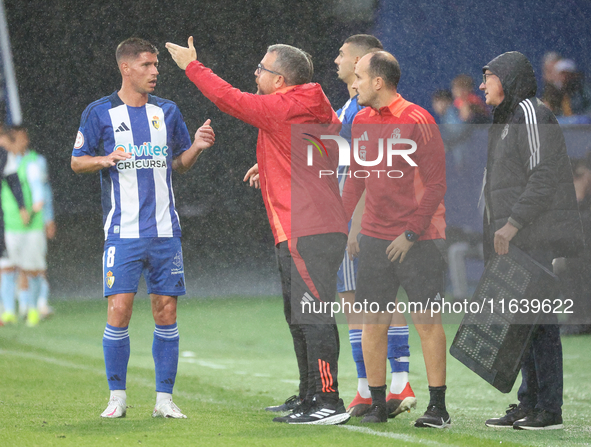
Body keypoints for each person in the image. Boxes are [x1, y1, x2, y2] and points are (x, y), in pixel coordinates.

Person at [166, 38, 350, 425]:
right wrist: (270, 162)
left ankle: (328, 401)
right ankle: (309, 393)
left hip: (308, 227)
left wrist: (192, 66)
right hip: (307, 225)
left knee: (312, 315)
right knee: (297, 314)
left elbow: (231, 99)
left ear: (280, 80)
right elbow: (316, 143)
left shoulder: (286, 106)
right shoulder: (305, 104)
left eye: (262, 69)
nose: (256, 73)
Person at [71, 37, 215, 419]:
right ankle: (117, 398)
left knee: (165, 311)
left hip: (166, 231)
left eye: (156, 65)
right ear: (126, 68)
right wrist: (105, 159)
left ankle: (164, 400)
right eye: (148, 65)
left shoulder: (167, 111)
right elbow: (76, 162)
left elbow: (178, 165)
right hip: (123, 231)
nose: (155, 72)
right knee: (119, 309)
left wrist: (197, 146)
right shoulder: (99, 112)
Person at [342, 51, 450, 427]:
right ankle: (376, 403)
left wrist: (410, 233)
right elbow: (356, 176)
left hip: (419, 238)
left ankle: (438, 408)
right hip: (374, 236)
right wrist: (341, 222)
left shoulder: (419, 119)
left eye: (358, 76)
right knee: (372, 321)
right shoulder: (360, 120)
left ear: (378, 82)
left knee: (426, 321)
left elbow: (437, 184)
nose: (352, 83)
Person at [479, 51, 582, 430]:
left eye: (487, 77)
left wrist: (512, 224)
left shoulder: (531, 112)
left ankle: (549, 410)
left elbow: (543, 176)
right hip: (514, 239)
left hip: (531, 235)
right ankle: (529, 403)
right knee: (523, 323)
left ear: (505, 79)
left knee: (540, 323)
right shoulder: (507, 118)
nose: (481, 85)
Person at [332, 34, 416, 419]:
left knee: (356, 298)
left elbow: (369, 169)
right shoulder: (351, 106)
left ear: (363, 62)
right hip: (358, 213)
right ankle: (388, 383)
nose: (336, 60)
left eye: (342, 55)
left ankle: (377, 386)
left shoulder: (366, 112)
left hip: (361, 217)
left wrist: (354, 224)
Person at [1, 126, 44, 327]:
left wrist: (34, 206)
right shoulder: (6, 158)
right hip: (9, 224)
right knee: (8, 268)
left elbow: (36, 188)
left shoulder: (31, 162)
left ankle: (32, 308)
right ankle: (9, 311)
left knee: (31, 269)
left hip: (31, 224)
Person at [0, 127, 28, 325]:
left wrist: (22, 207)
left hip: (3, 218)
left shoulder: (3, 155)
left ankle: (16, 308)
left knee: (7, 262)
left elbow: (14, 181)